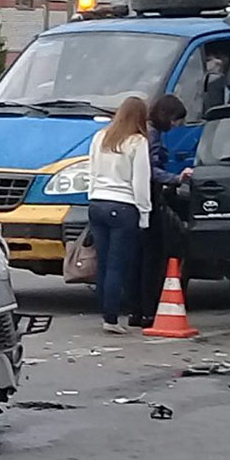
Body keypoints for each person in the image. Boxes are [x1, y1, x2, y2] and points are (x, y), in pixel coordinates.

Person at [88, 96, 152, 334]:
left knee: (103, 263)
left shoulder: (100, 138)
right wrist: (144, 214)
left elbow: (91, 172)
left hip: (97, 203)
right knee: (117, 265)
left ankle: (104, 310)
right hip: (124, 206)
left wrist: (92, 197)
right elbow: (140, 182)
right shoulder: (137, 142)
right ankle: (112, 317)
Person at [130, 94, 192, 327]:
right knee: (152, 256)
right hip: (150, 200)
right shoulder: (152, 136)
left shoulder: (140, 133)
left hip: (135, 201)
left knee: (138, 257)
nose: (178, 125)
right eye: (177, 120)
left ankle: (136, 309)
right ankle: (147, 309)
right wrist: (177, 178)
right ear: (167, 115)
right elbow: (151, 170)